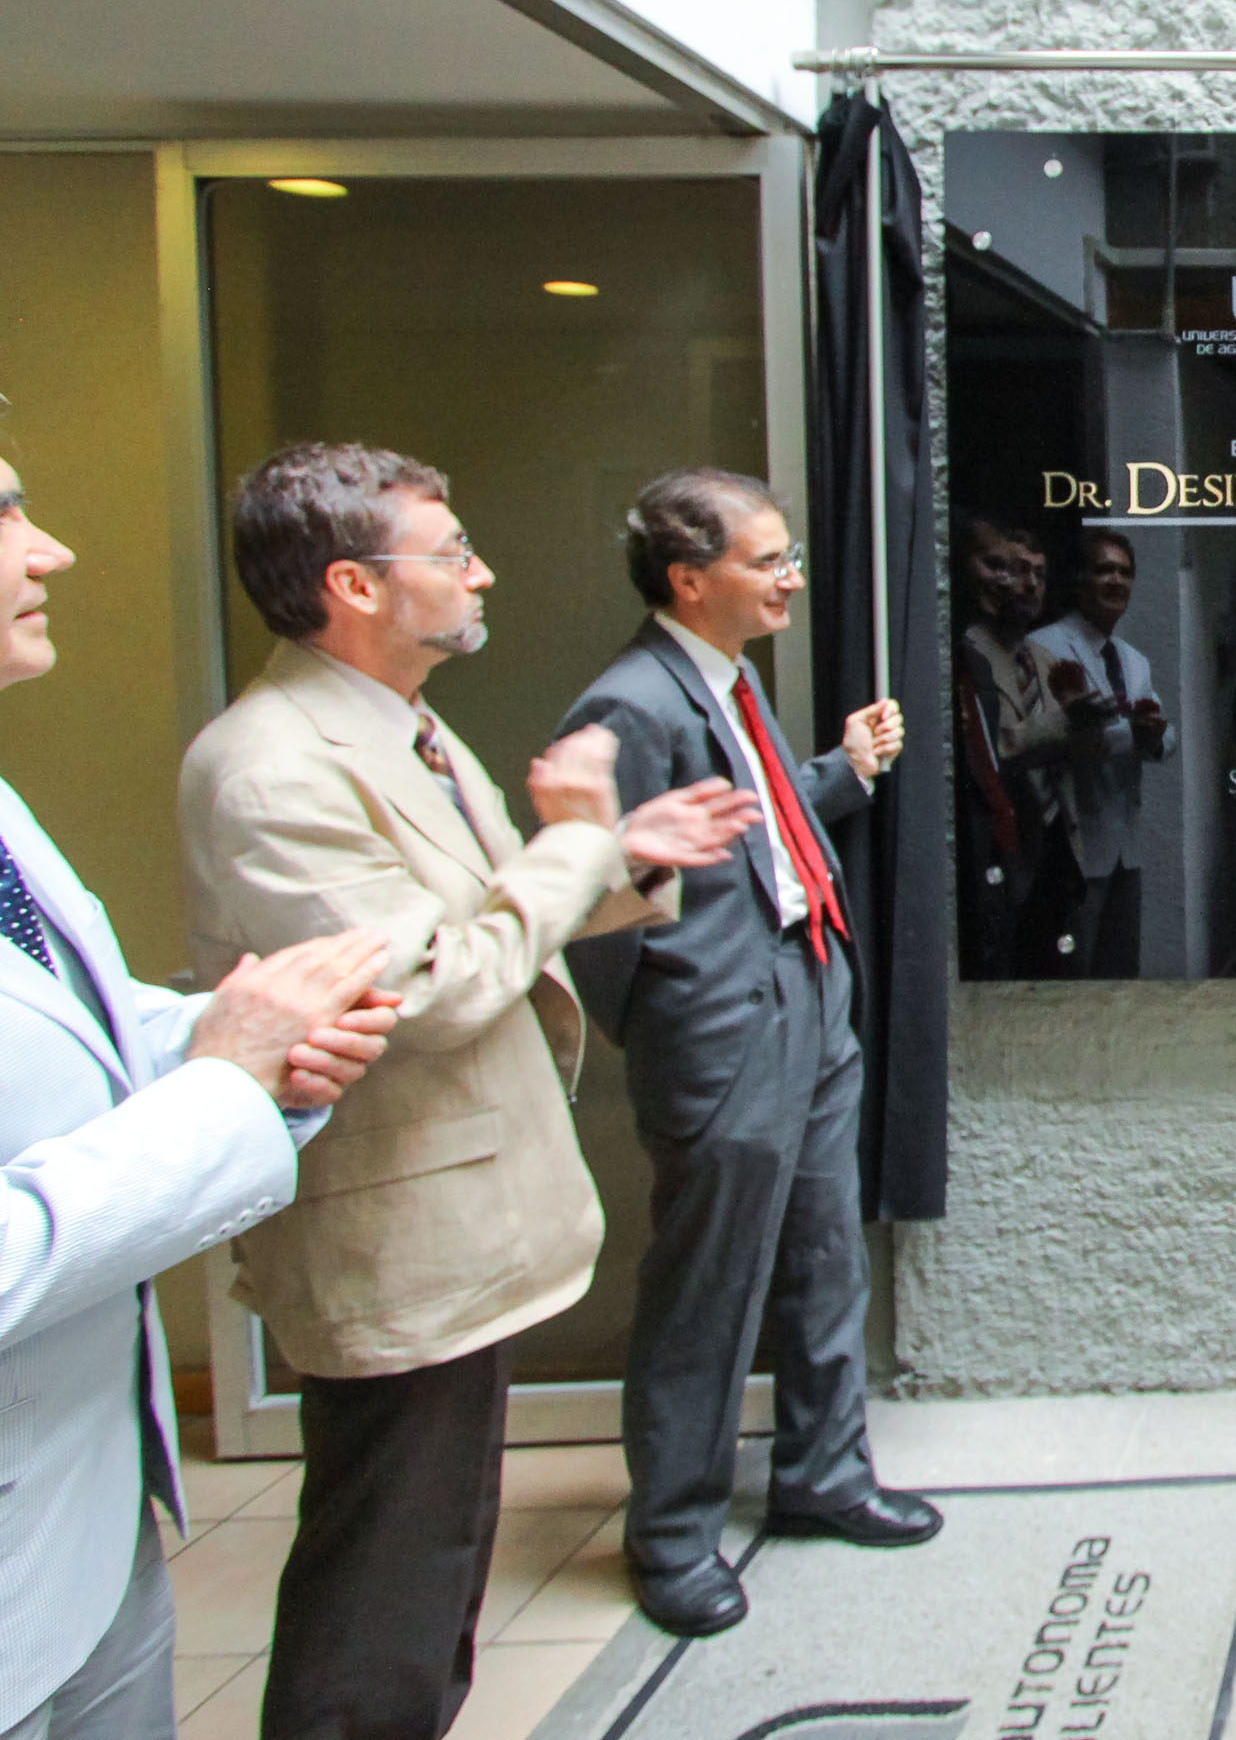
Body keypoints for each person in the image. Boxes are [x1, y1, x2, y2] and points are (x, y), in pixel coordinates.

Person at [178, 443, 758, 1736]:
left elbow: (497, 914)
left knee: (430, 1574)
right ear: (355, 585)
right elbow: (441, 987)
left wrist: (613, 850)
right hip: (397, 1235)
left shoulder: (405, 729)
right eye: (450, 553)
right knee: (381, 1600)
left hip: (462, 1219)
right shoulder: (274, 766)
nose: (480, 572)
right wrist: (578, 839)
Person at [1, 455, 398, 1740]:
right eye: (3, 515)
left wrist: (253, 1046)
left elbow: (86, 1025)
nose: (49, 550)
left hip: (84, 1512)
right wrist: (227, 1087)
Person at [559, 468, 931, 1640]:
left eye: (790, 556)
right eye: (767, 560)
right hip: (729, 1026)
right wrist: (683, 1018)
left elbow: (750, 837)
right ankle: (673, 1536)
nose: (791, 579)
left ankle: (822, 1472)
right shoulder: (630, 705)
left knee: (823, 1255)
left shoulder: (726, 677)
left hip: (808, 994)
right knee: (708, 1286)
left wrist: (842, 772)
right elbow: (591, 901)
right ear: (687, 578)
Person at [1024, 529, 1174, 977]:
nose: (1116, 581)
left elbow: (1164, 738)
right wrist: (1131, 734)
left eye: (1125, 573)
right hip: (1072, 850)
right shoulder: (1043, 648)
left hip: (1126, 848)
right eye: (1104, 570)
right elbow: (1049, 742)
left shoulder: (1133, 660)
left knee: (1121, 978)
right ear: (1079, 580)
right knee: (1072, 979)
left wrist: (1153, 736)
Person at [953, 517, 1080, 978]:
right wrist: (1069, 722)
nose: (1029, 585)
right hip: (1002, 842)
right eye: (1017, 570)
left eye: (1039, 574)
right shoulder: (967, 654)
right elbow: (997, 747)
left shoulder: (1042, 658)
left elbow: (1066, 746)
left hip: (1054, 838)